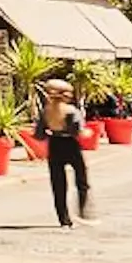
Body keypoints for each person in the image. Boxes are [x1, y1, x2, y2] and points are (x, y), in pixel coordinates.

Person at [41, 75, 90, 227]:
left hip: (54, 144)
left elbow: (39, 134)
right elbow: (78, 131)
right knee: (81, 180)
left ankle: (64, 219)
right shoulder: (72, 111)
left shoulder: (46, 112)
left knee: (58, 184)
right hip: (70, 145)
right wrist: (86, 133)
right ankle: (82, 211)